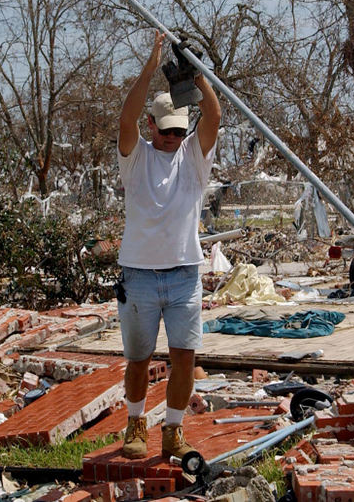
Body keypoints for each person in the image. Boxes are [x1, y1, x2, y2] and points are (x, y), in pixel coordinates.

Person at [116, 30, 221, 460]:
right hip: (139, 275)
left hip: (184, 275)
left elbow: (214, 118)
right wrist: (151, 62)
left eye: (179, 132)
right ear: (151, 126)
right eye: (165, 132)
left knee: (184, 357)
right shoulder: (136, 155)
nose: (172, 140)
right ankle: (135, 424)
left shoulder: (193, 158)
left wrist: (197, 78)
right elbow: (125, 118)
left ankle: (173, 429)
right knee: (139, 359)